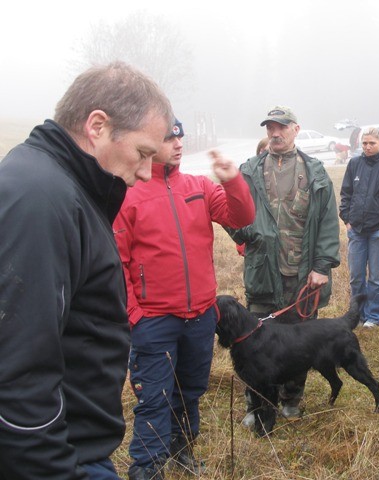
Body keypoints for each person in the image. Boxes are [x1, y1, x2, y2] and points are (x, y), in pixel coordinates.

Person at [0, 62, 173, 479]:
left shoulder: (62, 189)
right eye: (143, 153)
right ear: (97, 126)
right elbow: (17, 376)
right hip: (58, 457)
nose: (147, 172)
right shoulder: (42, 200)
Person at [114, 120, 255, 479]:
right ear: (147, 144)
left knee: (190, 391)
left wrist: (232, 180)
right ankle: (147, 468)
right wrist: (135, 316)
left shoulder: (198, 187)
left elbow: (242, 217)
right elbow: (118, 262)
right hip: (154, 321)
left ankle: (182, 451)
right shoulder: (129, 194)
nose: (178, 144)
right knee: (154, 398)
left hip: (200, 317)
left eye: (180, 137)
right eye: (168, 138)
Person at [226, 105, 340, 426]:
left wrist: (321, 266)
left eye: (281, 127)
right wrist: (243, 231)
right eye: (270, 128)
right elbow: (231, 214)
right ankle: (259, 404)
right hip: (263, 272)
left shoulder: (315, 172)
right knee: (254, 343)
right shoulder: (248, 171)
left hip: (303, 277)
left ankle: (292, 398)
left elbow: (329, 223)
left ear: (295, 129)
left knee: (298, 343)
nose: (275, 133)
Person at [339, 127, 379, 327]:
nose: (367, 147)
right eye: (364, 143)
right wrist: (347, 219)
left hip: (378, 231)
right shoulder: (355, 163)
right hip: (356, 229)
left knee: (376, 277)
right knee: (356, 276)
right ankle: (358, 315)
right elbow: (346, 193)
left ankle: (375, 316)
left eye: (371, 143)